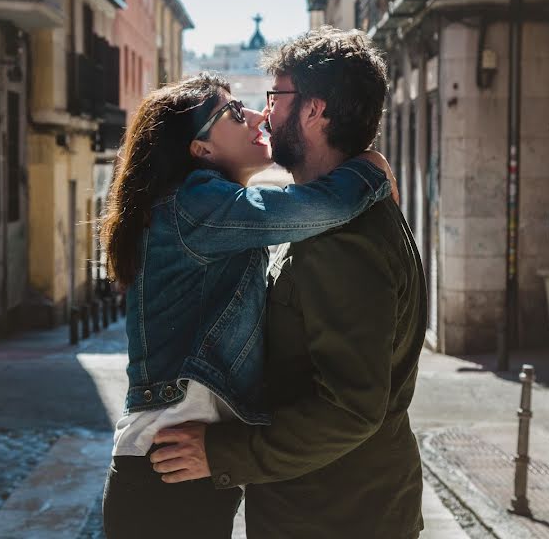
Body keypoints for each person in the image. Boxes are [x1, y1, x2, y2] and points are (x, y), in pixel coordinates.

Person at [150, 27, 428, 538]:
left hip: (334, 515)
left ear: (314, 111)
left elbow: (349, 409)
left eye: (276, 98)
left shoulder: (341, 238)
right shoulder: (340, 212)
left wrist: (218, 453)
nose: (266, 113)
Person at [99, 71, 397, 539]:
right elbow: (314, 208)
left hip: (182, 470)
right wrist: (370, 170)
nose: (258, 115)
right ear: (201, 149)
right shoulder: (194, 204)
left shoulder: (210, 212)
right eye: (234, 113)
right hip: (165, 472)